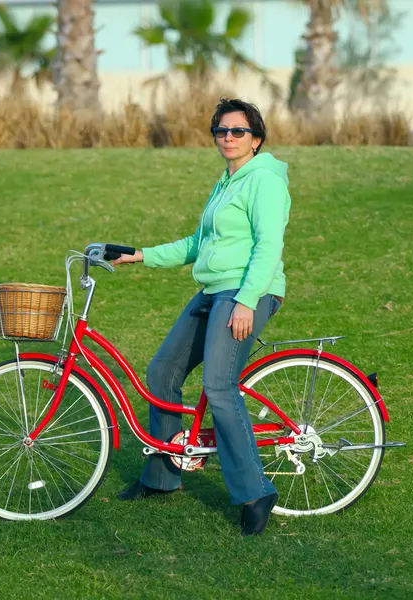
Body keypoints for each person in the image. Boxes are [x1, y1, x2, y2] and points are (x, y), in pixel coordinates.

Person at [113, 98, 291, 536]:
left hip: (247, 290)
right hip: (214, 290)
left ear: (256, 139)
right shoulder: (226, 182)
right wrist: (139, 255)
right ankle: (160, 478)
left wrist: (248, 300)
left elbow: (268, 247)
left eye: (237, 132)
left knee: (218, 385)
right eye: (220, 131)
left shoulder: (264, 181)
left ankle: (255, 491)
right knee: (162, 372)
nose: (227, 138)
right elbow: (198, 244)